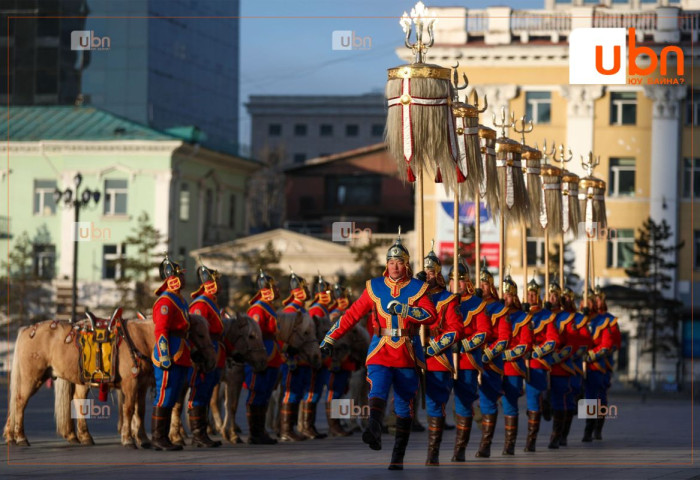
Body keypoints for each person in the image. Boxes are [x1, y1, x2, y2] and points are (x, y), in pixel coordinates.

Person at [319, 232, 438, 470]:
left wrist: (405, 310)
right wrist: (330, 337)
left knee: (404, 405)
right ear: (387, 264)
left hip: (407, 352)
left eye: (399, 262)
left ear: (407, 264)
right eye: (391, 262)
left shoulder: (419, 288)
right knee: (378, 389)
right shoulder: (374, 287)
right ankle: (373, 429)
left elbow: (430, 316)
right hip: (380, 350)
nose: (394, 266)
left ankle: (397, 456)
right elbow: (352, 315)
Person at [420, 249, 462, 466]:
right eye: (424, 272)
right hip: (411, 357)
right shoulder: (412, 296)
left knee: (435, 404)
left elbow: (455, 330)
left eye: (431, 272)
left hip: (436, 359)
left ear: (438, 274)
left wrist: (433, 347)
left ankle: (432, 452)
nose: (427, 276)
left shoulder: (448, 299)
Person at [449, 259, 493, 462]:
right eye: (452, 280)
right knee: (435, 402)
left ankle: (459, 448)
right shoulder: (442, 300)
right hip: (442, 359)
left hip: (466, 361)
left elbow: (484, 332)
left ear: (467, 282)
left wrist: (465, 345)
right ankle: (433, 450)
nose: (455, 284)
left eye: (460, 280)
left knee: (463, 403)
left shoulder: (477, 304)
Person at [151, 254, 191, 451]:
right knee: (164, 395)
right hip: (169, 352)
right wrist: (164, 354)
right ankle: (158, 437)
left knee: (173, 395)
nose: (183, 279)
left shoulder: (179, 299)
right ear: (171, 277)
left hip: (181, 349)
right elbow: (161, 331)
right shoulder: (166, 302)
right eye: (180, 276)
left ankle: (164, 436)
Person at [474, 266, 512, 458]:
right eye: (479, 283)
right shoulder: (470, 304)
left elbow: (504, 338)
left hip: (490, 361)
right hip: (470, 359)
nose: (482, 286)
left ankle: (485, 444)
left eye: (485, 283)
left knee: (489, 401)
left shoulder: (499, 308)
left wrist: (488, 353)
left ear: (492, 286)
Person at [186, 264, 225, 448]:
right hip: (205, 350)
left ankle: (204, 431)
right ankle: (197, 434)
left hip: (214, 349)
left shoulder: (211, 302)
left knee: (208, 391)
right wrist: (199, 354)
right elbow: (197, 331)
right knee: (200, 391)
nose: (219, 285)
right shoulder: (201, 304)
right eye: (216, 281)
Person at [246, 269, 283, 444]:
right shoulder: (257, 309)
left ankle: (261, 431)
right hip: (262, 354)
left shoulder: (270, 307)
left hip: (272, 353)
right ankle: (254, 433)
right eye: (275, 287)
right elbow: (253, 334)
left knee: (266, 393)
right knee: (257, 392)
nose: (277, 291)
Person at [523, 278, 559, 452]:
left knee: (564, 401)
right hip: (518, 362)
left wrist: (537, 352)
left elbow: (554, 341)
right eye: (528, 294)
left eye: (534, 294)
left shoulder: (547, 316)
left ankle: (549, 438)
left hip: (541, 363)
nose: (530, 297)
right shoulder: (519, 314)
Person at [499, 275, 533, 456]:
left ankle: (509, 444)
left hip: (512, 366)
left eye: (508, 294)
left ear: (515, 297)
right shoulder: (492, 312)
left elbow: (526, 343)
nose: (505, 298)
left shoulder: (522, 317)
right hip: (493, 366)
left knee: (510, 403)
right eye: (503, 294)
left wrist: (507, 354)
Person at [278, 268, 312, 442]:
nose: (307, 292)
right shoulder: (290, 311)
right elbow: (283, 335)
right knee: (290, 393)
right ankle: (286, 429)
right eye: (304, 289)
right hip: (293, 358)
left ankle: (295, 427)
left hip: (304, 357)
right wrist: (288, 350)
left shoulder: (303, 310)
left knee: (298, 393)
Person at [301, 274, 335, 439]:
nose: (330, 296)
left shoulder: (324, 310)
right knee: (317, 393)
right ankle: (308, 425)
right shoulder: (316, 310)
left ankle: (336, 423)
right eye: (327, 293)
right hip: (319, 356)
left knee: (335, 392)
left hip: (333, 357)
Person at [559, 287, 592, 446]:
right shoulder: (554, 317)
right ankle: (557, 432)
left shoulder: (580, 319)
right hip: (557, 364)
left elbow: (587, 342)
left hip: (581, 365)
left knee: (594, 398)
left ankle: (590, 429)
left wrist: (576, 354)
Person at [546, 281, 576, 449]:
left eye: (556, 295)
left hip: (564, 366)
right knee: (539, 401)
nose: (552, 298)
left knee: (571, 401)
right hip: (542, 364)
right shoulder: (542, 315)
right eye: (550, 294)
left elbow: (573, 344)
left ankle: (561, 435)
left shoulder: (569, 317)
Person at [325, 281, 357, 437]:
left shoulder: (348, 313)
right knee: (334, 392)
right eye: (340, 298)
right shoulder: (334, 315)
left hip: (348, 359)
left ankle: (342, 421)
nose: (343, 300)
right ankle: (334, 425)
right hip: (337, 359)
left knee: (343, 391)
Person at [583, 289, 613, 442]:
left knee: (595, 398)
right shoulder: (578, 319)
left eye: (590, 301)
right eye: (584, 301)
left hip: (596, 365)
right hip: (577, 365)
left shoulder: (603, 322)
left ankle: (592, 429)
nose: (586, 304)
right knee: (585, 398)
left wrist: (591, 355)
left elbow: (608, 344)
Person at [594, 285, 621, 441]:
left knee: (600, 396)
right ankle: (589, 427)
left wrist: (604, 350)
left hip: (603, 364)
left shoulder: (610, 320)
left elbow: (616, 343)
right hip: (586, 364)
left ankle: (598, 428)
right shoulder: (584, 319)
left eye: (598, 299)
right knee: (589, 397)